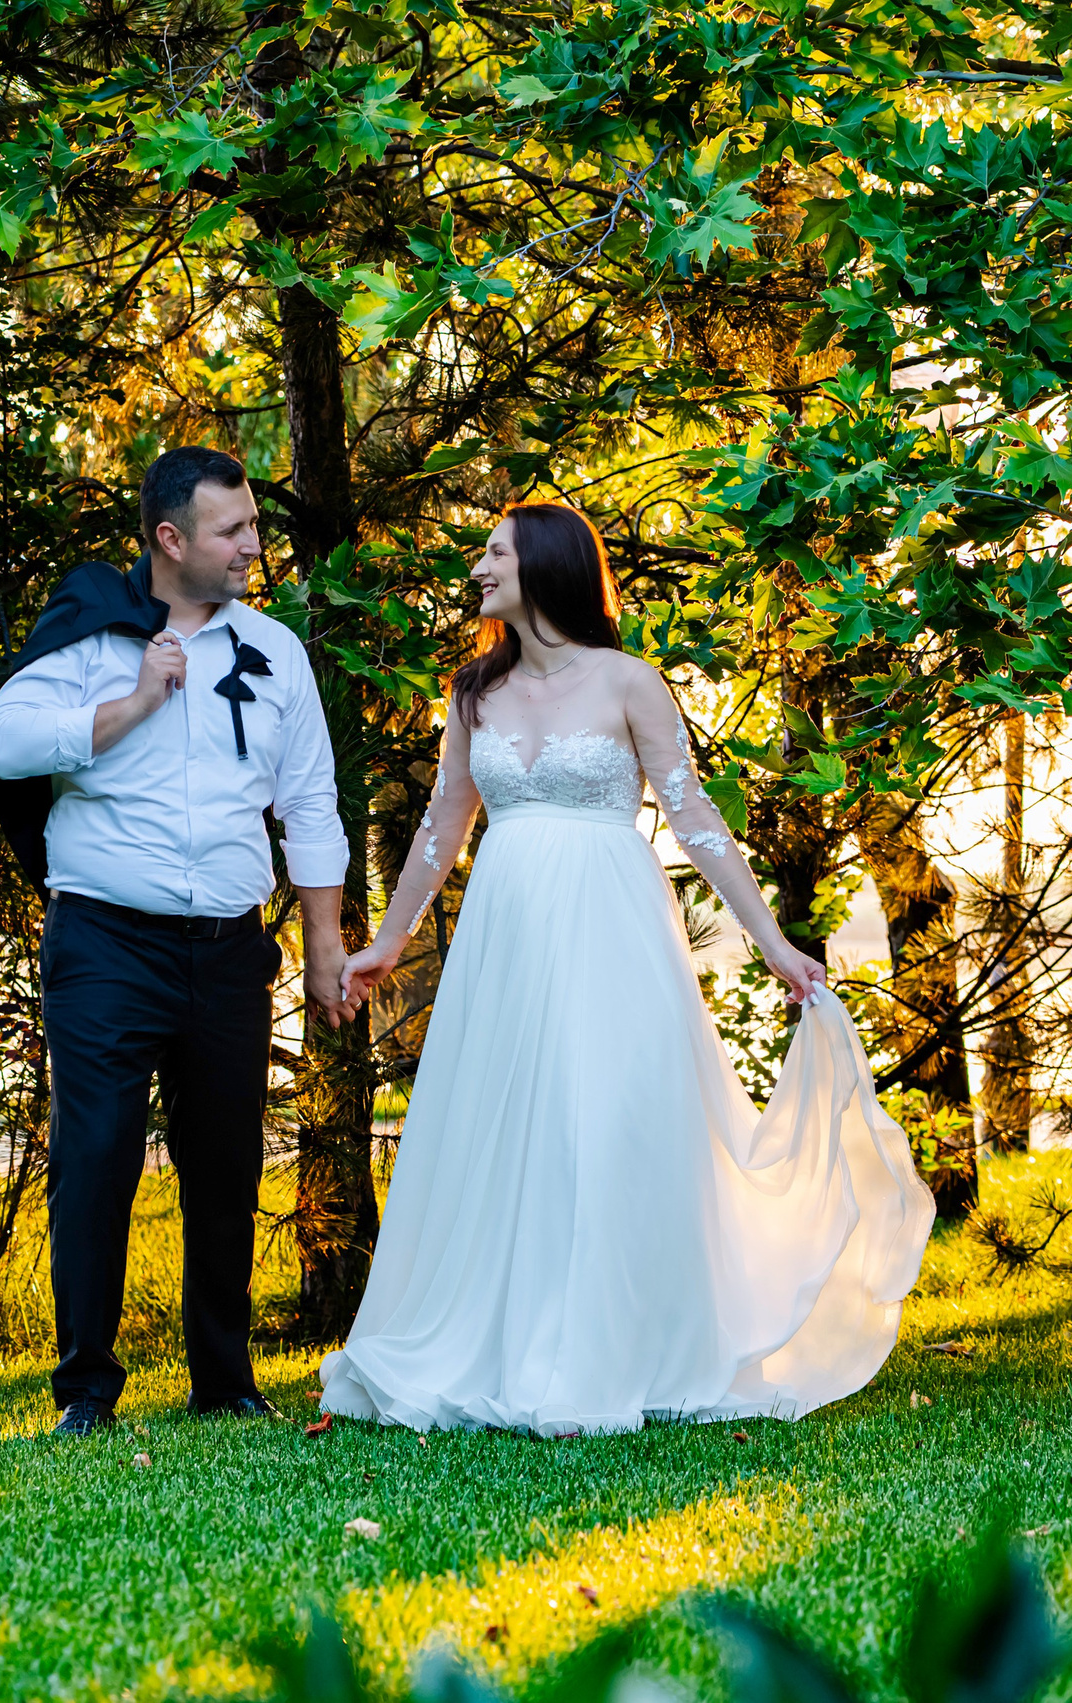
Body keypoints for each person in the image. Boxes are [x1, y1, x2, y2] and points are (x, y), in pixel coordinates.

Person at [318, 502, 935, 1437]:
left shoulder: (629, 681)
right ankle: (507, 1344)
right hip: (507, 932)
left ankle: (614, 1346)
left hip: (610, 923)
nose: (478, 566)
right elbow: (442, 827)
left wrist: (772, 940)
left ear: (547, 565)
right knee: (506, 1125)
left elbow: (695, 820)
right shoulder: (472, 690)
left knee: (603, 1121)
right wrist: (391, 941)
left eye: (495, 552)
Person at [0, 446, 350, 1436]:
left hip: (229, 949)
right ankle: (87, 1392)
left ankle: (223, 1379)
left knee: (227, 1160)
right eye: (232, 529)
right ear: (169, 537)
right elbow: (5, 744)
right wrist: (136, 702)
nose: (252, 544)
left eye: (254, 526)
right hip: (104, 941)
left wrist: (323, 944)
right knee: (96, 1154)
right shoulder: (90, 636)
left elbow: (311, 805)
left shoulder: (277, 651)